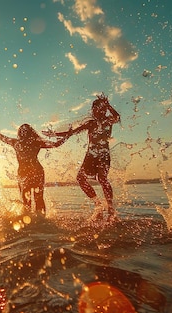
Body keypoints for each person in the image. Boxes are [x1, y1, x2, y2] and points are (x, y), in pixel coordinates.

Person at [44, 93, 120, 221]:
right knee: (80, 178)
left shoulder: (108, 120)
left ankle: (111, 208)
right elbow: (72, 133)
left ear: (103, 110)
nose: (94, 111)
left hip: (103, 155)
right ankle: (98, 203)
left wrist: (108, 104)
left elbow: (117, 117)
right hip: (90, 156)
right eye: (93, 109)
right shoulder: (91, 123)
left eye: (98, 109)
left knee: (102, 178)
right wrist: (54, 134)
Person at [0, 116, 69, 216]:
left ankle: (29, 223)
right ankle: (41, 222)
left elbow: (1, 137)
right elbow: (57, 144)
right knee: (38, 199)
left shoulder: (16, 142)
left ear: (19, 133)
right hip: (37, 172)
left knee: (26, 201)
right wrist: (68, 135)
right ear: (32, 132)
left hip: (24, 173)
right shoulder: (36, 142)